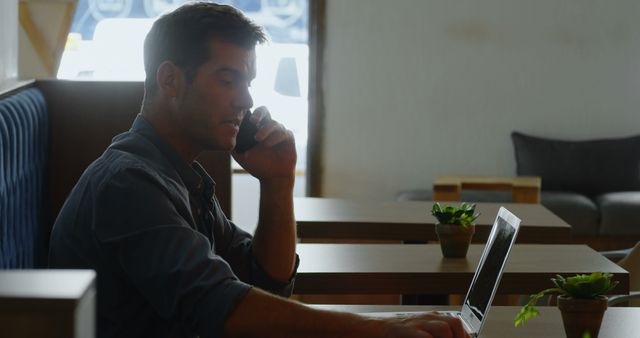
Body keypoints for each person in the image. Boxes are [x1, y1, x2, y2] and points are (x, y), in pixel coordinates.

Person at [48, 2, 470, 338]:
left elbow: (266, 281)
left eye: (247, 82)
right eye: (227, 80)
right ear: (170, 80)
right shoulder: (129, 183)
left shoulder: (179, 177)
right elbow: (222, 307)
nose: (245, 101)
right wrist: (379, 331)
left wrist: (278, 181)